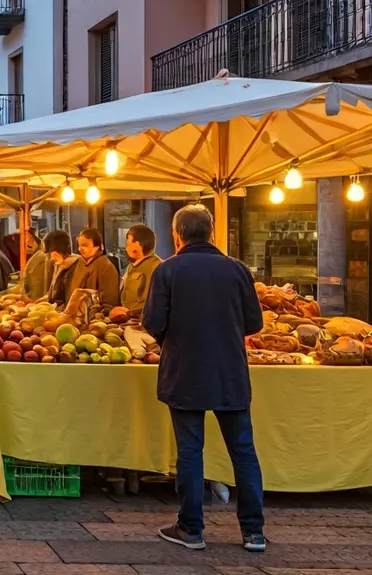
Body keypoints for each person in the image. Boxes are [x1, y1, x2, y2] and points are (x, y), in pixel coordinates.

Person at [141, 204, 265, 553]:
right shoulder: (236, 270)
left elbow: (151, 321)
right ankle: (253, 532)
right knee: (244, 452)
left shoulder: (168, 271)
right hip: (230, 372)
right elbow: (254, 324)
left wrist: (174, 338)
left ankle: (191, 528)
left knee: (190, 451)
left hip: (185, 371)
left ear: (177, 234)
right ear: (211, 233)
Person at [72, 227, 121, 308]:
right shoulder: (79, 263)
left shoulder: (106, 266)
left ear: (97, 246)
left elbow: (110, 301)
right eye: (79, 245)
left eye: (85, 245)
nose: (81, 249)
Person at [121, 224, 162, 312]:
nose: (126, 247)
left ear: (138, 245)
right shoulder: (131, 265)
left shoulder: (157, 266)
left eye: (129, 243)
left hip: (141, 319)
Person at [43, 231, 77, 307]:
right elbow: (52, 295)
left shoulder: (76, 267)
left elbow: (69, 300)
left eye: (51, 254)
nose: (51, 258)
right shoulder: (59, 265)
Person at [23, 232, 55, 301]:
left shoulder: (35, 258)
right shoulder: (50, 258)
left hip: (36, 302)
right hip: (46, 305)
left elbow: (25, 284)